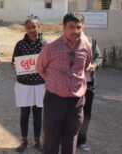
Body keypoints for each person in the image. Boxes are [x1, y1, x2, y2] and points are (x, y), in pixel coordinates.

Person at [36, 12, 92, 154]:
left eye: (79, 27)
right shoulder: (51, 46)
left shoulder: (86, 46)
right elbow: (40, 68)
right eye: (71, 27)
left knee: (71, 136)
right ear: (63, 27)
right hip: (55, 100)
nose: (75, 31)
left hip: (76, 102)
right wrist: (54, 82)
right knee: (51, 138)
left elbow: (85, 68)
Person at [11, 18, 46, 152]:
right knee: (24, 114)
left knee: (38, 114)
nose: (31, 30)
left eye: (34, 27)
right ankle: (24, 141)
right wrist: (15, 66)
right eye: (28, 27)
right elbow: (14, 62)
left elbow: (49, 62)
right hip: (23, 84)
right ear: (25, 29)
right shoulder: (20, 44)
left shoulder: (45, 45)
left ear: (39, 27)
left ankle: (37, 141)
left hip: (40, 84)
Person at [77, 36, 102, 152]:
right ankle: (68, 138)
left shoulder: (91, 40)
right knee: (70, 113)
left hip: (89, 85)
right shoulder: (66, 41)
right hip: (72, 85)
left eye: (79, 25)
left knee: (86, 114)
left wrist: (94, 65)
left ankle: (81, 141)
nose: (76, 29)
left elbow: (98, 58)